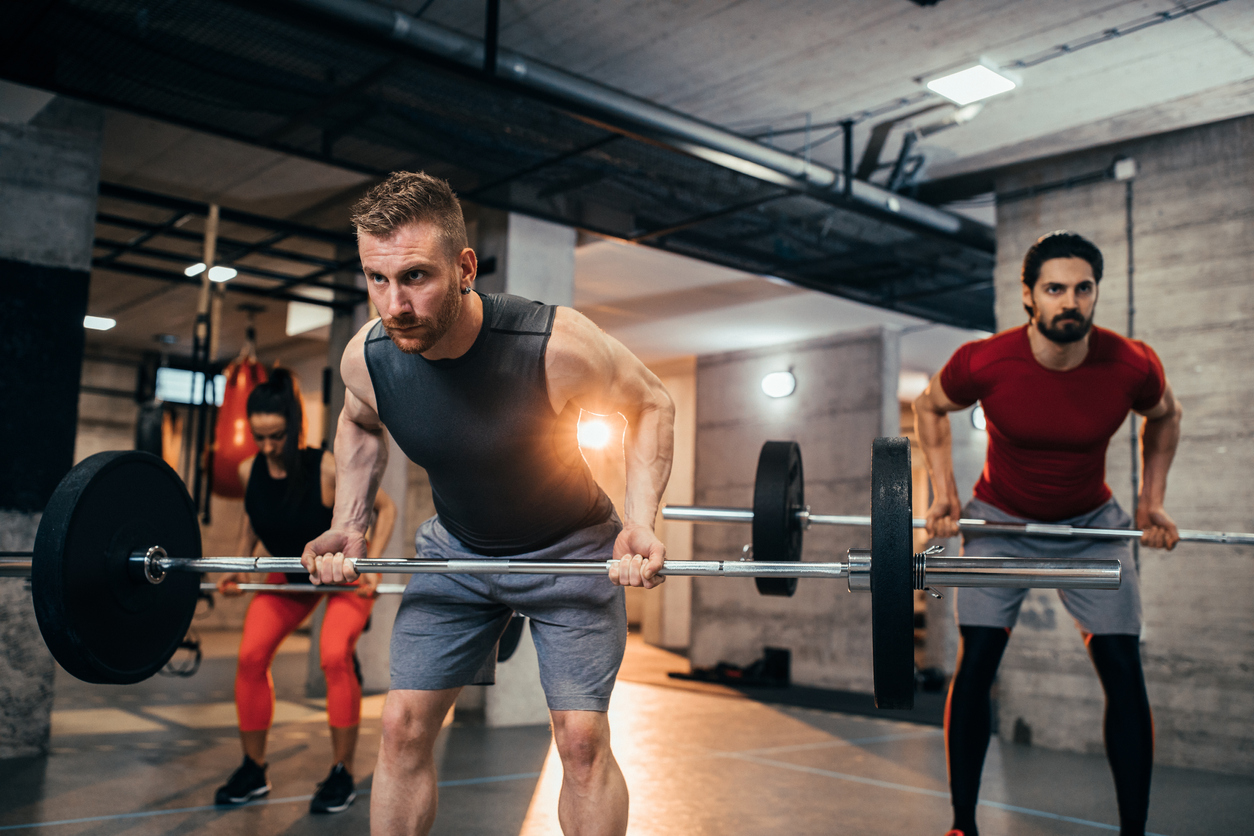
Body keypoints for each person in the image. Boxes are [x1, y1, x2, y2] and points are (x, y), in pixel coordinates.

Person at [301, 171, 675, 836]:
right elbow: (358, 424)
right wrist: (348, 526)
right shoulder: (370, 358)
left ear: (466, 266)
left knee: (582, 740)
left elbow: (650, 403)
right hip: (458, 551)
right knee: (400, 727)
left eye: (415, 276)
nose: (394, 304)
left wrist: (642, 522)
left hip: (572, 550)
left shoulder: (554, 344)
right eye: (376, 279)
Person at [914, 231, 1183, 836]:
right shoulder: (985, 360)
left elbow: (1167, 415)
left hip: (1092, 526)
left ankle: (1134, 831)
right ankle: (963, 824)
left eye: (1082, 289)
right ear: (1029, 296)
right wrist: (943, 491)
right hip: (1001, 522)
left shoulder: (1130, 362)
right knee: (977, 660)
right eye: (1055, 288)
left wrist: (1151, 501)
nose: (1070, 301)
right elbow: (929, 408)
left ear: (1095, 294)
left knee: (1121, 665)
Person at [213, 368, 396, 814]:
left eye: (276, 436)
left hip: (337, 575)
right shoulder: (245, 468)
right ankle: (253, 769)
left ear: (294, 427)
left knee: (335, 655)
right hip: (287, 576)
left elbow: (384, 508)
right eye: (259, 437)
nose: (268, 447)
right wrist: (238, 568)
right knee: (251, 657)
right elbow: (253, 518)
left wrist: (369, 565)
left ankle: (341, 773)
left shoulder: (326, 467)